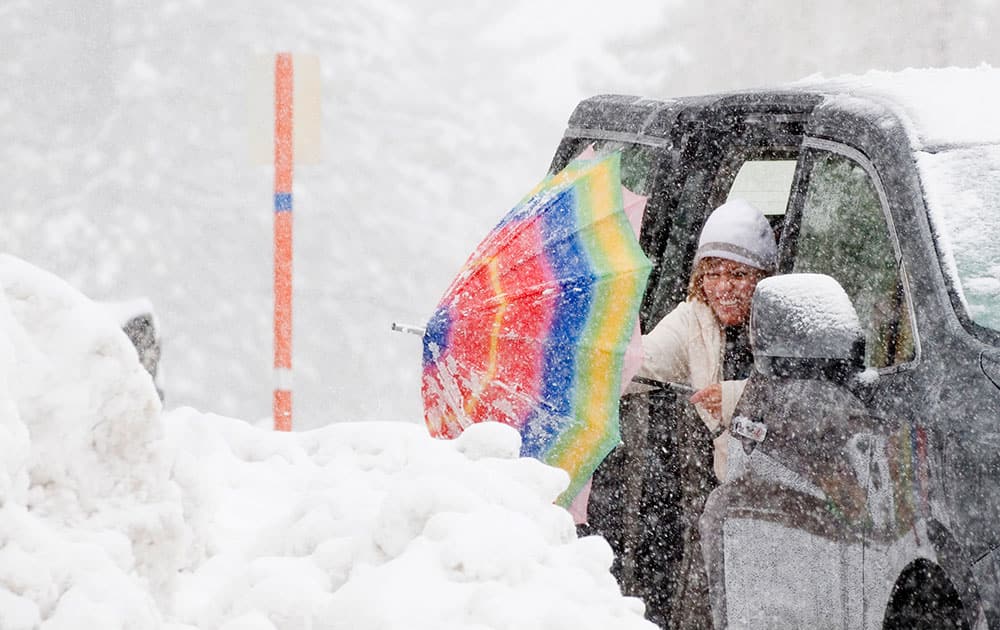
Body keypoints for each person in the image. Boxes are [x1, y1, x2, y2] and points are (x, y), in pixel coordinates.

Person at [638, 197, 777, 482]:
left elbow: (810, 398)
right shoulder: (694, 318)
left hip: (785, 485)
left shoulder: (785, 318)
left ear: (763, 277)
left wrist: (737, 398)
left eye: (738, 275)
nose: (724, 288)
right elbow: (641, 362)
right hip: (731, 485)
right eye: (712, 274)